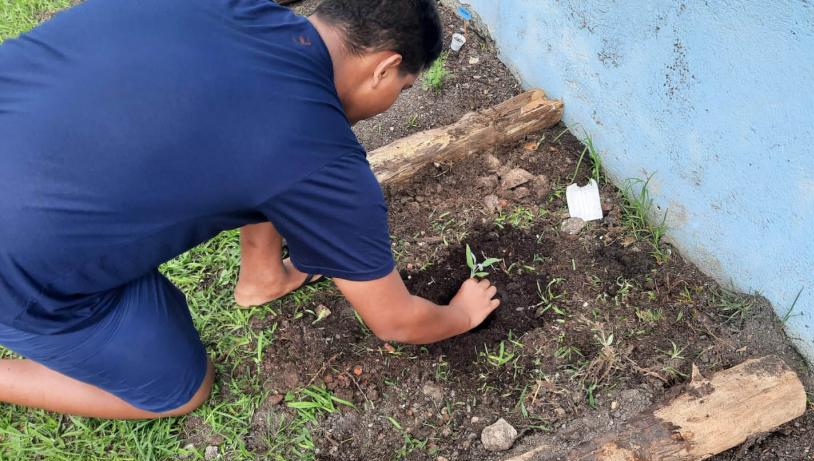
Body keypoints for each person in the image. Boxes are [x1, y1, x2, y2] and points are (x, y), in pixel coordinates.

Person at [0, 0, 500, 420]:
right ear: (385, 68)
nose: (394, 99)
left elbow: (253, 139)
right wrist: (460, 315)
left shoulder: (232, 9)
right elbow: (396, 321)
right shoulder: (318, 157)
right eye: (403, 88)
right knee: (180, 389)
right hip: (15, 270)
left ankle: (264, 277)